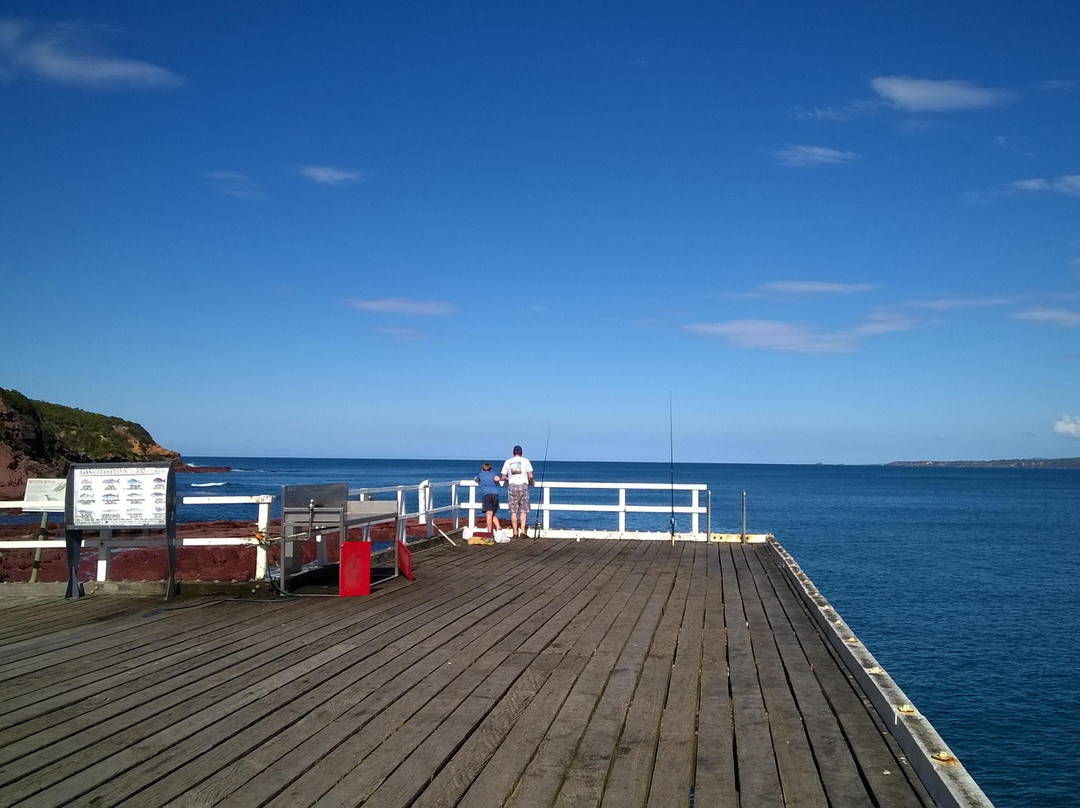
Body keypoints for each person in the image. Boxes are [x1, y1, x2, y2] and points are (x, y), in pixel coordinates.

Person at [500, 445, 534, 538]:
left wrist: (509, 478)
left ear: (513, 453)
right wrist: (532, 482)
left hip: (512, 486)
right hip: (523, 486)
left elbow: (503, 477)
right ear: (521, 453)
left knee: (513, 511)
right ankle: (522, 531)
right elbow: (530, 476)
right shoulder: (525, 461)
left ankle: (515, 532)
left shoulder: (508, 461)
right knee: (523, 510)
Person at [473, 462, 503, 535]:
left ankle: (489, 532)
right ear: (490, 469)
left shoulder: (480, 475)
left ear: (482, 469)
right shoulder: (493, 474)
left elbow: (475, 479)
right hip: (495, 494)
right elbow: (497, 479)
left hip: (487, 495)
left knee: (489, 514)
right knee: (492, 513)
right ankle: (498, 527)